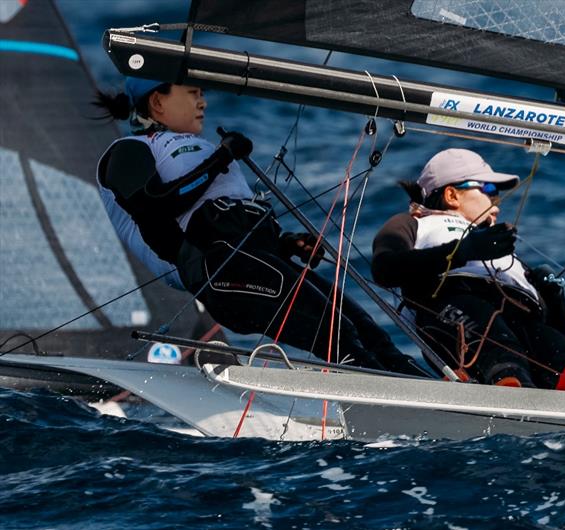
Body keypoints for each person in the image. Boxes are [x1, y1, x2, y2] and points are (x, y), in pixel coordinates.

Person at [93, 77, 423, 375]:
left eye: (202, 94)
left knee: (368, 331)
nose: (203, 102)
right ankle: (390, 407)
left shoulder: (199, 149)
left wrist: (288, 243)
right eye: (193, 93)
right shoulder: (128, 151)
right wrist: (220, 159)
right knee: (337, 333)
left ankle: (441, 400)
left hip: (248, 263)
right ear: (158, 102)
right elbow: (156, 206)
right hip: (215, 270)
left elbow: (232, 222)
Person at [372, 148, 565, 391]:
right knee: (490, 328)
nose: (497, 203)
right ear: (452, 195)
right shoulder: (414, 224)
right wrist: (463, 251)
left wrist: (553, 296)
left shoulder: (498, 249)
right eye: (489, 191)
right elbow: (384, 268)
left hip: (517, 314)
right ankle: (509, 382)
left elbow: (562, 333)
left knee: (553, 345)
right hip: (450, 306)